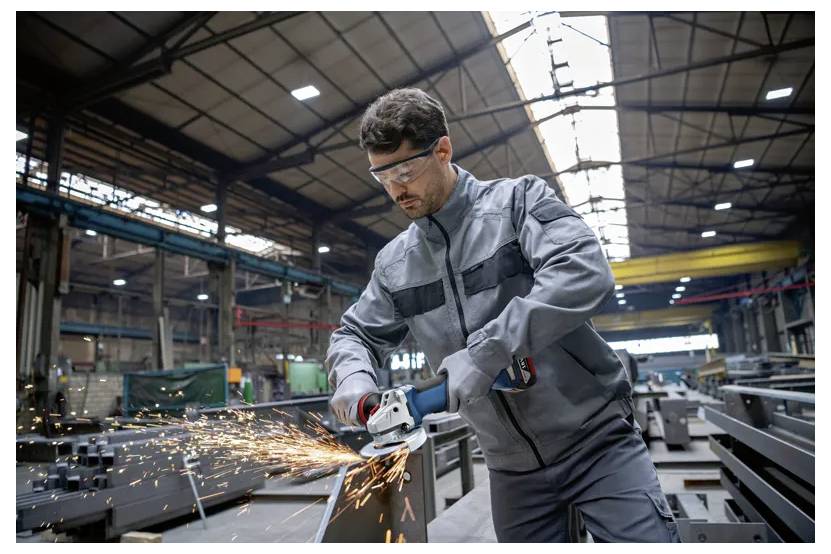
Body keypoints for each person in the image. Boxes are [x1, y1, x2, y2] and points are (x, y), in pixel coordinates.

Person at [325, 88, 679, 543]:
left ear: (444, 150)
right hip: (511, 470)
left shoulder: (518, 204)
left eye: (406, 171)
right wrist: (354, 378)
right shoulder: (396, 264)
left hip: (596, 442)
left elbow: (584, 272)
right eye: (383, 177)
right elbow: (354, 333)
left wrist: (486, 352)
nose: (396, 189)